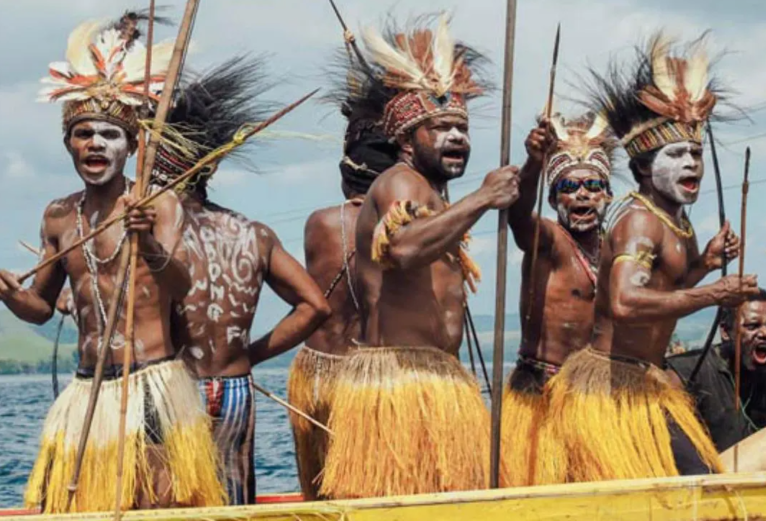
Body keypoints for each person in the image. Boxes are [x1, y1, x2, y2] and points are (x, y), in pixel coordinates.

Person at [0, 13, 225, 512]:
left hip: (152, 385)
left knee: (163, 504)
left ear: (132, 145)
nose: (96, 143)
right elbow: (40, 306)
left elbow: (182, 284)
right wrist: (12, 295)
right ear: (69, 145)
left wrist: (147, 244)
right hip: (87, 390)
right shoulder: (59, 216)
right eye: (84, 134)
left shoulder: (158, 204)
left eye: (109, 134)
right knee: (75, 505)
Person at [319, 15, 519, 499]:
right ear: (407, 139)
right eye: (441, 128)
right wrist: (482, 199)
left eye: (462, 128)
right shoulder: (401, 183)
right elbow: (402, 248)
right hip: (400, 384)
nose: (457, 138)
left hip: (435, 378)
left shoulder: (432, 193)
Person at [544, 33, 758, 482]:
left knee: (691, 480)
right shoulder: (639, 221)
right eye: (677, 154)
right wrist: (716, 291)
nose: (693, 164)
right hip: (613, 387)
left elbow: (664, 289)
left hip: (645, 380)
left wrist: (705, 264)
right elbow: (625, 302)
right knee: (691, 480)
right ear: (643, 166)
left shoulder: (675, 219)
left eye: (696, 153)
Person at [150, 57, 331, 505]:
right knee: (233, 501)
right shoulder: (253, 233)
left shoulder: (149, 234)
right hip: (234, 386)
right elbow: (316, 306)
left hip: (176, 386)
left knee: (170, 502)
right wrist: (250, 355)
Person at [289, 54, 398, 499]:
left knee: (322, 495)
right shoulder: (412, 227)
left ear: (343, 177)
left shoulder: (318, 223)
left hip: (317, 374)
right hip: (373, 380)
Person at [502, 112, 617, 486]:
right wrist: (535, 162)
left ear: (608, 195)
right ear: (553, 199)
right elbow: (518, 215)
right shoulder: (548, 240)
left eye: (593, 185)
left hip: (594, 395)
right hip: (541, 396)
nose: (582, 194)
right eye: (569, 185)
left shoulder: (615, 250)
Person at [668, 289, 766, 449]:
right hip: (710, 471)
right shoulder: (689, 372)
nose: (765, 333)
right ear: (725, 331)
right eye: (752, 326)